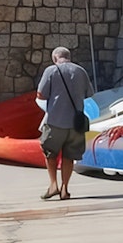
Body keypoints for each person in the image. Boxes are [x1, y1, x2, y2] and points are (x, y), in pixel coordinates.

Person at [36, 46, 93, 200]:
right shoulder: (81, 71)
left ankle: (53, 184)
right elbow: (89, 94)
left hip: (55, 121)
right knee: (69, 156)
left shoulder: (51, 71)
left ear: (55, 58)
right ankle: (64, 189)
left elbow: (40, 95)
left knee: (50, 153)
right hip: (76, 123)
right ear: (68, 56)